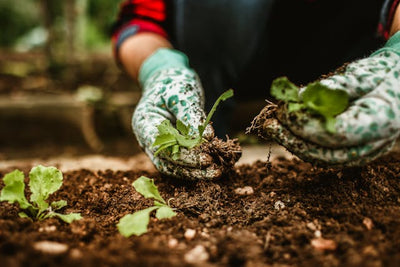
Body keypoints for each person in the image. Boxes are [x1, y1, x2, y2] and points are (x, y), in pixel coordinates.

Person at [111, 0, 400, 179]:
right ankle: (209, 144)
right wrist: (160, 68)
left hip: (350, 45)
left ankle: (350, 114)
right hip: (225, 55)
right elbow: (139, 21)